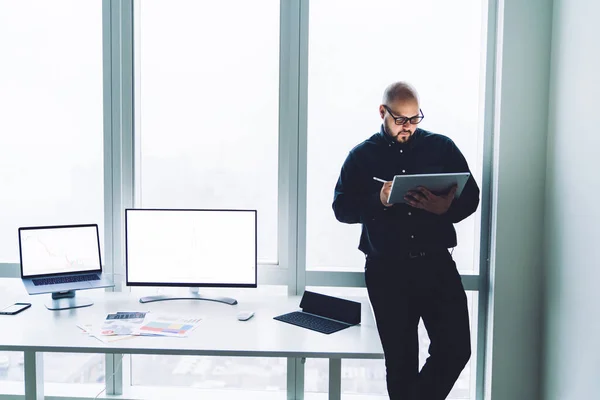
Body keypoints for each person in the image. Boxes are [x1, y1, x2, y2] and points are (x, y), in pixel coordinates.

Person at [332, 82, 480, 400]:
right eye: (401, 120)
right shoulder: (360, 156)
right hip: (387, 271)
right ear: (383, 113)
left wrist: (446, 208)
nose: (408, 127)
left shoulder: (442, 148)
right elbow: (341, 208)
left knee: (456, 350)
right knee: (400, 364)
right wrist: (378, 199)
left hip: (437, 263)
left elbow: (473, 196)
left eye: (415, 119)